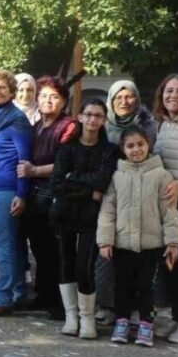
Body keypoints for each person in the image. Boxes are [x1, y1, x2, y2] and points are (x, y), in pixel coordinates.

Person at [98, 126, 178, 346]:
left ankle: (146, 323)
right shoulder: (117, 175)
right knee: (122, 285)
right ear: (123, 149)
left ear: (149, 146)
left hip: (151, 245)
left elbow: (169, 210)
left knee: (147, 286)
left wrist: (173, 241)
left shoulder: (161, 175)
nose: (136, 150)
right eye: (130, 145)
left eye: (140, 144)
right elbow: (108, 210)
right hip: (122, 243)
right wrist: (105, 240)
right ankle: (122, 321)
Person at [50, 99, 117, 339]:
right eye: (88, 114)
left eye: (98, 115)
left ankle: (87, 316)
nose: (92, 119)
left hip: (92, 217)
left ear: (104, 120)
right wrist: (89, 190)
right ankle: (71, 316)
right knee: (66, 263)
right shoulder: (67, 148)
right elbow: (57, 183)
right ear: (79, 116)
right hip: (65, 214)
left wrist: (74, 179)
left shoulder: (109, 151)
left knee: (85, 266)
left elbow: (103, 180)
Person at [17, 76, 77, 317]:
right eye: (43, 96)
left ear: (63, 101)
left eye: (54, 96)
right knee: (40, 248)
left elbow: (67, 161)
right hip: (35, 196)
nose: (47, 100)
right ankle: (44, 295)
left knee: (58, 251)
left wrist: (34, 171)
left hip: (57, 194)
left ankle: (61, 304)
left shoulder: (69, 126)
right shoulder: (36, 126)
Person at [0, 70, 33, 316]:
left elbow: (25, 160)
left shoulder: (16, 119)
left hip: (8, 188)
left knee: (4, 245)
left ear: (12, 92)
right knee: (14, 244)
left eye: (3, 88)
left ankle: (1, 299)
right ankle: (18, 293)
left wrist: (21, 194)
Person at [152, 74, 178, 344]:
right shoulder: (160, 124)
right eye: (169, 91)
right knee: (170, 263)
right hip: (166, 205)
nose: (173, 96)